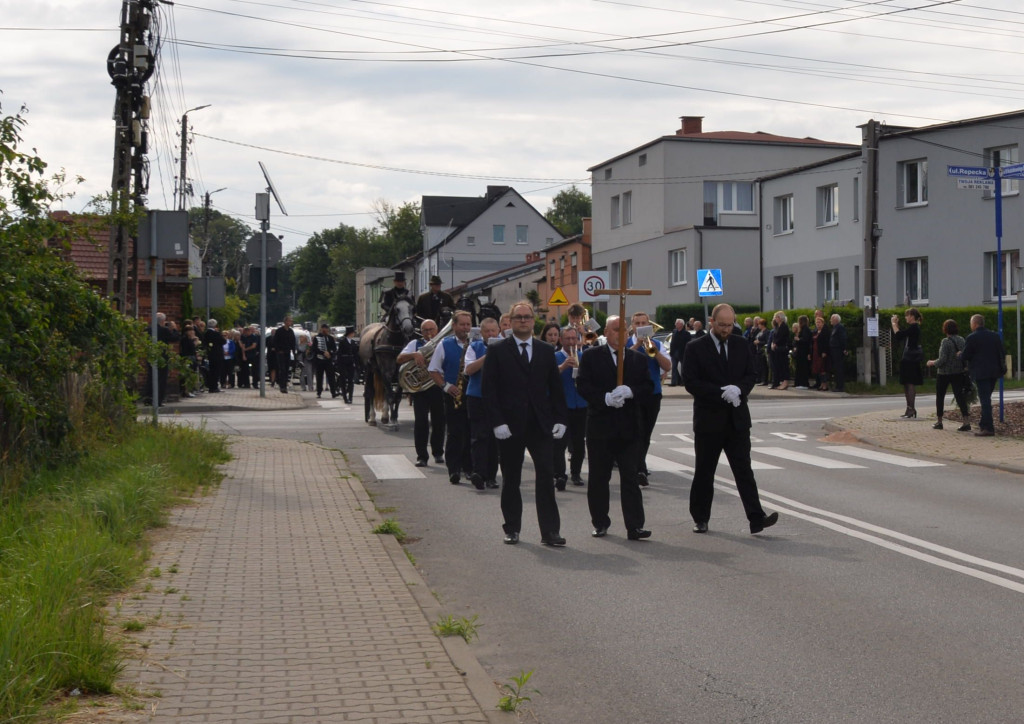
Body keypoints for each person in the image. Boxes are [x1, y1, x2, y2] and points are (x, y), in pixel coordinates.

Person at [683, 303, 779, 535]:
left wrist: (739, 389)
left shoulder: (741, 343)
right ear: (712, 323)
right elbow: (691, 381)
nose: (727, 329)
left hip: (737, 419)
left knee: (744, 470)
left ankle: (757, 518)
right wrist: (719, 392)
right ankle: (701, 517)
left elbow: (752, 374)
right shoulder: (696, 347)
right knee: (705, 472)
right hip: (709, 420)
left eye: (730, 324)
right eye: (722, 325)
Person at [482, 301, 568, 546]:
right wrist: (497, 422)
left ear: (533, 320)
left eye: (527, 317)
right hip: (509, 426)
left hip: (540, 425)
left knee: (546, 476)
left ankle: (550, 531)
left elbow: (555, 388)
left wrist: (561, 419)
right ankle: (512, 528)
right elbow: (490, 391)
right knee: (511, 478)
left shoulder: (545, 350)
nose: (523, 321)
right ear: (510, 320)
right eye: (518, 317)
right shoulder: (498, 350)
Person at [576, 315, 653, 540]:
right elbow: (583, 385)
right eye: (616, 329)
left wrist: (631, 392)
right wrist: (605, 398)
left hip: (628, 428)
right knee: (599, 478)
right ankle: (600, 522)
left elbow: (647, 386)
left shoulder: (637, 359)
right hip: (601, 426)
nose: (621, 334)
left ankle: (635, 525)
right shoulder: (591, 356)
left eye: (624, 330)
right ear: (606, 333)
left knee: (630, 477)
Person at [428, 310, 473, 484]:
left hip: (473, 394)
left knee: (471, 433)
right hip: (453, 394)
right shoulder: (444, 344)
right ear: (453, 326)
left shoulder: (475, 344)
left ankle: (469, 468)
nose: (465, 328)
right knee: (455, 433)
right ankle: (453, 469)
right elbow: (433, 370)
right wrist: (446, 386)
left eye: (468, 324)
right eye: (462, 324)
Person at [627, 311, 672, 487]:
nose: (640, 326)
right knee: (636, 432)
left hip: (653, 394)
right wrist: (638, 345)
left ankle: (639, 465)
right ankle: (639, 468)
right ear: (632, 326)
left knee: (646, 433)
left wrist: (653, 350)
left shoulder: (657, 345)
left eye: (643, 323)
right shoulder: (627, 343)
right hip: (633, 394)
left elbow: (668, 365)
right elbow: (621, 361)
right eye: (637, 323)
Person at [397, 319, 446, 467]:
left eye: (432, 329)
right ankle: (422, 456)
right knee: (421, 422)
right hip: (421, 389)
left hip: (438, 386)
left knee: (439, 422)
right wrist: (414, 355)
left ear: (437, 330)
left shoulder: (443, 343)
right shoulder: (415, 343)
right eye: (426, 330)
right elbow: (399, 359)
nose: (429, 333)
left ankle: (438, 453)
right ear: (421, 331)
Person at [463, 317, 501, 489]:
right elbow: (469, 370)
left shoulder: (506, 347)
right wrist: (487, 356)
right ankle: (479, 473)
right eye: (487, 331)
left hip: (498, 398)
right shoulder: (474, 347)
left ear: (499, 331)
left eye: (494, 331)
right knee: (479, 436)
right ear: (482, 333)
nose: (491, 334)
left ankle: (491, 476)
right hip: (476, 396)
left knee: (495, 438)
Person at [959, 314, 1007, 437]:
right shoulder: (995, 336)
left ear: (975, 324)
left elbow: (965, 356)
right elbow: (1001, 352)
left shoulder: (972, 337)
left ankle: (988, 428)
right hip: (994, 372)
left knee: (985, 400)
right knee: (986, 398)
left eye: (971, 323)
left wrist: (959, 354)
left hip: (981, 373)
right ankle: (983, 423)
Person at [553, 326, 587, 490]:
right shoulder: (555, 357)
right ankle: (560, 474)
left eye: (574, 339)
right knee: (559, 443)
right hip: (561, 406)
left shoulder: (583, 356)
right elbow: (548, 377)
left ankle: (576, 473)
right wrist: (564, 366)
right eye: (568, 339)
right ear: (561, 340)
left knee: (579, 442)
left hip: (580, 405)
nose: (571, 342)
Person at [926, 319, 971, 431]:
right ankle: (966, 421)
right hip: (958, 372)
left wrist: (932, 363)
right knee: (960, 397)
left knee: (940, 396)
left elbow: (942, 359)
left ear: (945, 329)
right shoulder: (961, 340)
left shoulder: (945, 341)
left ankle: (939, 421)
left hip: (944, 374)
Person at [891, 307, 923, 418]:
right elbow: (902, 335)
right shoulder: (913, 328)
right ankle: (909, 408)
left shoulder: (914, 327)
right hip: (909, 358)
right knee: (906, 383)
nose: (906, 317)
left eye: (907, 315)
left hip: (911, 359)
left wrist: (894, 324)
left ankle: (911, 408)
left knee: (910, 383)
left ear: (912, 316)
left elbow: (899, 335)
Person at [313, 323, 339, 398]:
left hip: (328, 360)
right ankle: (319, 392)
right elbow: (314, 349)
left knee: (331, 376)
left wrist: (330, 353)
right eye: (323, 328)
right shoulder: (316, 338)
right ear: (321, 329)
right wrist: (323, 353)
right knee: (319, 377)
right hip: (319, 360)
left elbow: (334, 349)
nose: (325, 330)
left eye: (326, 328)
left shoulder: (330, 338)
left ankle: (333, 392)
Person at [273, 316, 296, 393]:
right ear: (285, 322)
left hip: (287, 352)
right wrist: (278, 350)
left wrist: (293, 350)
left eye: (291, 321)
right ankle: (282, 386)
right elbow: (275, 342)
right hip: (281, 353)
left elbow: (293, 342)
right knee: (282, 369)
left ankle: (285, 385)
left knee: (286, 370)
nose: (291, 322)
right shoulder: (279, 331)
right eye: (289, 321)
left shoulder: (291, 331)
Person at [202, 319, 224, 393]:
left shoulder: (206, 333)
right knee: (216, 371)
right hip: (217, 355)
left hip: (210, 355)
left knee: (211, 371)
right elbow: (223, 341)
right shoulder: (216, 333)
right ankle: (214, 387)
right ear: (215, 325)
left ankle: (211, 386)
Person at [769, 311, 790, 390]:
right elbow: (774, 337)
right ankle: (780, 382)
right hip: (777, 349)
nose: (775, 319)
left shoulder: (784, 326)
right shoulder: (777, 326)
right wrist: (772, 343)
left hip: (782, 349)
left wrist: (775, 343)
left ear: (780, 318)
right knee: (778, 365)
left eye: (776, 317)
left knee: (784, 365)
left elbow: (781, 337)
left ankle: (785, 382)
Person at [335, 328, 357, 404]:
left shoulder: (353, 342)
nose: (354, 334)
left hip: (351, 362)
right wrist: (338, 364)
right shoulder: (342, 342)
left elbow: (356, 353)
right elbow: (339, 353)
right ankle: (345, 397)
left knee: (351, 380)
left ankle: (350, 397)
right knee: (343, 380)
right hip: (343, 362)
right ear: (350, 333)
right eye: (353, 333)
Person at [828, 313, 847, 392]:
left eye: (831, 319)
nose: (830, 320)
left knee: (838, 369)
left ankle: (840, 387)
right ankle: (837, 385)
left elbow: (843, 338)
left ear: (835, 320)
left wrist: (844, 349)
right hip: (834, 350)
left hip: (838, 351)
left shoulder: (840, 327)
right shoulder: (834, 328)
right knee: (836, 369)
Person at [811, 315, 830, 391]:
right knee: (818, 369)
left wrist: (824, 351)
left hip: (822, 352)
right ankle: (821, 384)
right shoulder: (815, 331)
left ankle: (825, 385)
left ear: (822, 323)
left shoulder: (825, 332)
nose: (817, 324)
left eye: (819, 322)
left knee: (823, 369)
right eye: (816, 322)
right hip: (815, 352)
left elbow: (826, 342)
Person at [669, 318, 689, 386]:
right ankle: (674, 382)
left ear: (681, 324)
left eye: (677, 323)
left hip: (682, 353)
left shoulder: (686, 333)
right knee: (674, 368)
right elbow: (672, 342)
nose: (675, 324)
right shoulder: (674, 332)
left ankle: (684, 381)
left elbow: (687, 343)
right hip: (674, 352)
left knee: (683, 368)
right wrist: (671, 351)